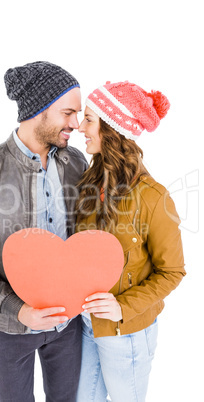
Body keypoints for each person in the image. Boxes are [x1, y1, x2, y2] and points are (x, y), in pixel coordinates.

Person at [0, 61, 88, 402]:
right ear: (39, 111)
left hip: (68, 324)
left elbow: (85, 236)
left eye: (78, 113)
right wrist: (18, 308)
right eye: (67, 112)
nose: (76, 123)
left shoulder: (76, 163)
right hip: (10, 327)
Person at [75, 81, 186, 402]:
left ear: (112, 129)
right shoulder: (87, 184)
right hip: (85, 327)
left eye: (89, 120)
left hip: (128, 336)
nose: (81, 128)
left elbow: (173, 272)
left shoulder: (153, 197)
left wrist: (121, 306)